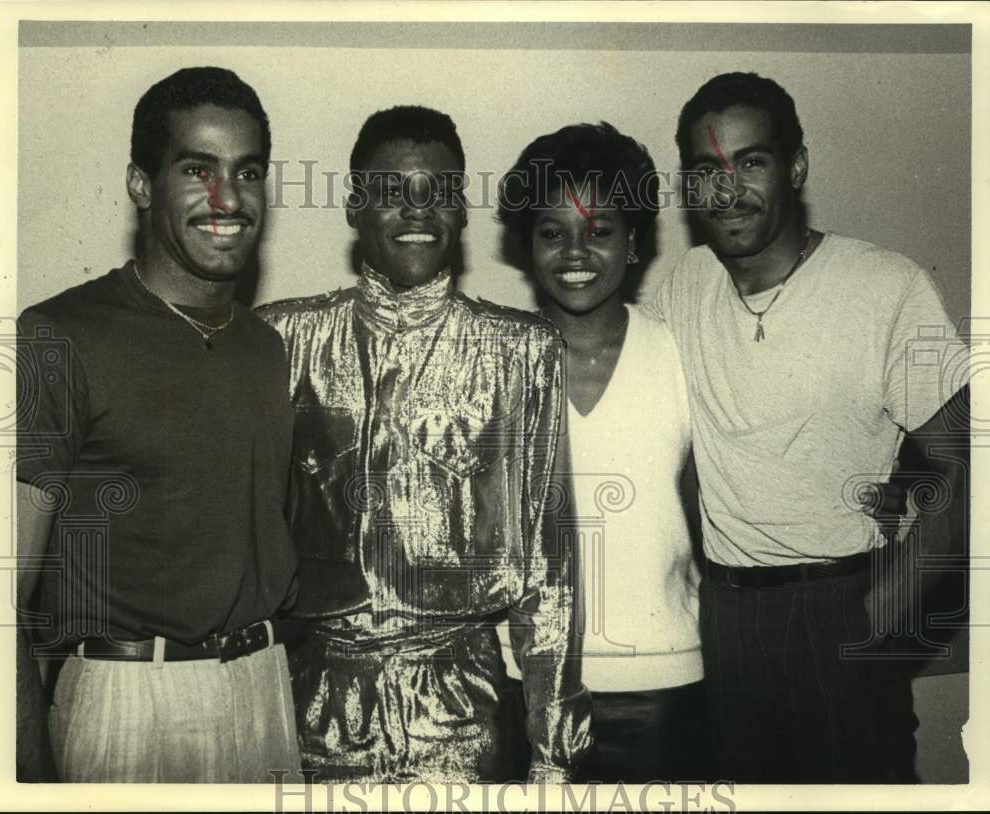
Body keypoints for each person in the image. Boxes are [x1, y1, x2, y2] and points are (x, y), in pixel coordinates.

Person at [648, 71, 969, 783]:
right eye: (706, 170)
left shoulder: (884, 286)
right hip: (725, 619)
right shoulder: (684, 287)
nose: (727, 191)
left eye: (750, 162)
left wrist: (885, 607)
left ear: (795, 166)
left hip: (842, 605)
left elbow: (967, 466)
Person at [256, 105, 591, 783]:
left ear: (462, 211)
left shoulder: (520, 351)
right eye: (391, 192)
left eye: (438, 192)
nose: (417, 212)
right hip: (317, 703)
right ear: (354, 207)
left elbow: (549, 566)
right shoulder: (284, 341)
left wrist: (554, 753)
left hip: (463, 711)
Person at [15, 66, 302, 783]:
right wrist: (22, 770)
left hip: (265, 690)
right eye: (197, 170)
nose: (228, 198)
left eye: (248, 171)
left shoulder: (266, 348)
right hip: (127, 702)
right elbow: (1, 594)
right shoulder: (60, 337)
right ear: (142, 184)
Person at [494, 122, 709, 783]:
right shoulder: (494, 362)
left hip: (666, 687)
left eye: (601, 230)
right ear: (529, 245)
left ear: (635, 241)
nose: (576, 251)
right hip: (520, 687)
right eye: (552, 232)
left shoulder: (681, 355)